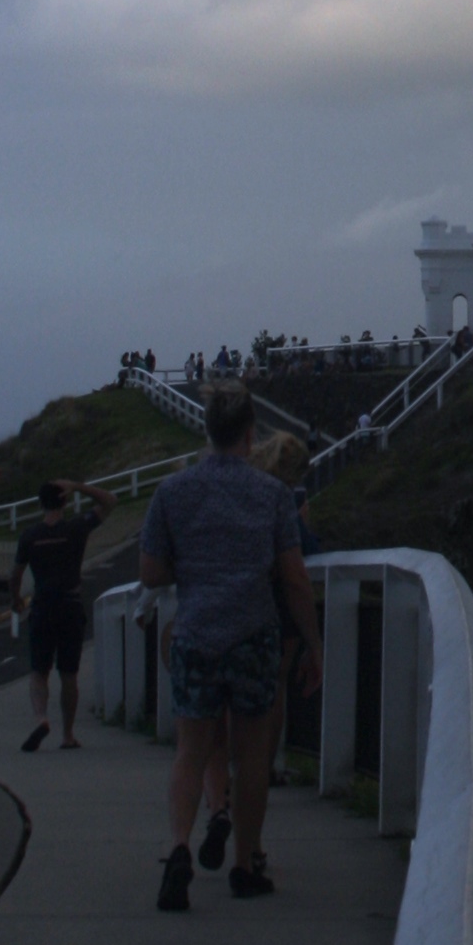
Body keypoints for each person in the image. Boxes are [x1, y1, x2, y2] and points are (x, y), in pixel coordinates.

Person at [140, 379, 320, 912]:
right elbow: (293, 578)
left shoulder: (173, 492)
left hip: (195, 635)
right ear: (249, 432)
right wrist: (313, 643)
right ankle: (246, 863)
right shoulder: (272, 495)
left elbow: (149, 572)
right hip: (253, 638)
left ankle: (178, 849)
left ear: (208, 430)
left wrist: (195, 570)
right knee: (251, 757)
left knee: (191, 752)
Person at [13, 478, 105, 753]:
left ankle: (41, 718)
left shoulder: (30, 536)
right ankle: (67, 735)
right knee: (69, 673)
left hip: (42, 606)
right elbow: (110, 501)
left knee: (39, 671)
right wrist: (79, 487)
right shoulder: (76, 528)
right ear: (64, 501)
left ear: (41, 504)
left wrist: (15, 600)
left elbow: (14, 574)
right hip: (70, 605)